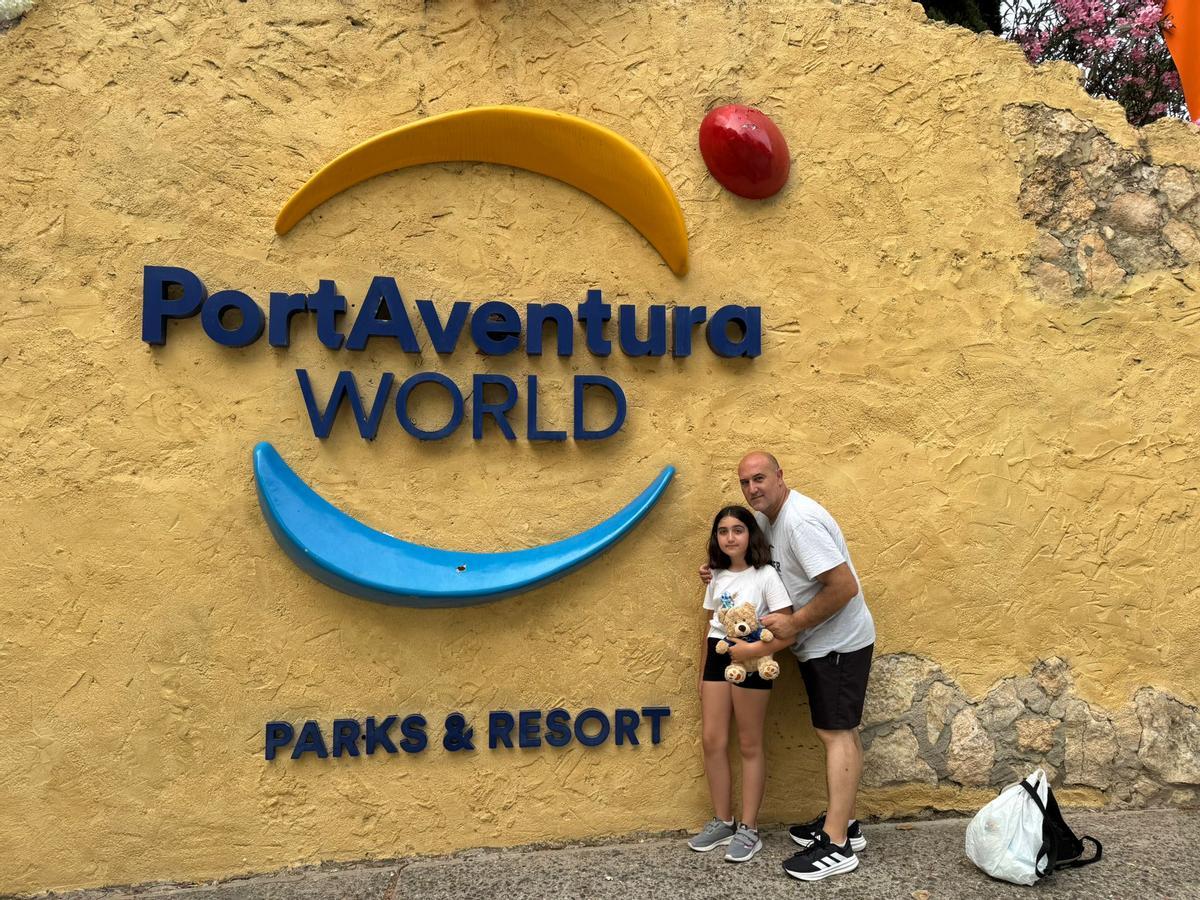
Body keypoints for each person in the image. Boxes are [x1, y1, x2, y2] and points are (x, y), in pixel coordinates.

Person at [703, 451, 875, 882]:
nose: (752, 489)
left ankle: (836, 844)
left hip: (839, 643)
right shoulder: (768, 520)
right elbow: (746, 560)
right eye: (745, 482)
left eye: (760, 478)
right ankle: (845, 823)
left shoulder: (799, 523)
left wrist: (794, 624)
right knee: (842, 731)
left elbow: (844, 587)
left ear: (780, 477)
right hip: (819, 644)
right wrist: (717, 574)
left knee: (836, 734)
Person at [687, 505, 793, 863]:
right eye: (723, 531)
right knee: (713, 739)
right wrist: (702, 672)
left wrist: (753, 650)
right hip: (717, 655)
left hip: (752, 658)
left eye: (738, 530)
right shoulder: (715, 575)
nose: (730, 537)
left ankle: (749, 828)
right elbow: (710, 624)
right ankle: (724, 821)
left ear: (750, 534)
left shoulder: (765, 575)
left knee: (749, 742)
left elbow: (785, 626)